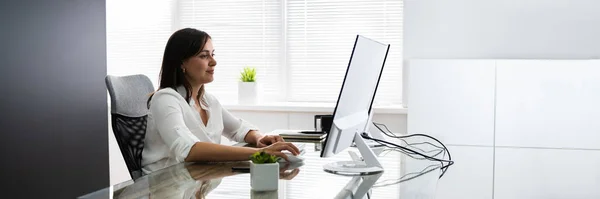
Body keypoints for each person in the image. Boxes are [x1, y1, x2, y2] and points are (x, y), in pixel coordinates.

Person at [141, 28, 300, 174]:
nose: (213, 62)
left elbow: (239, 129)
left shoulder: (208, 101)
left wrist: (259, 138)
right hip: (163, 185)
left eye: (213, 54)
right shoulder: (165, 99)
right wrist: (260, 153)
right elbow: (188, 150)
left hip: (197, 181)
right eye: (204, 56)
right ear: (182, 63)